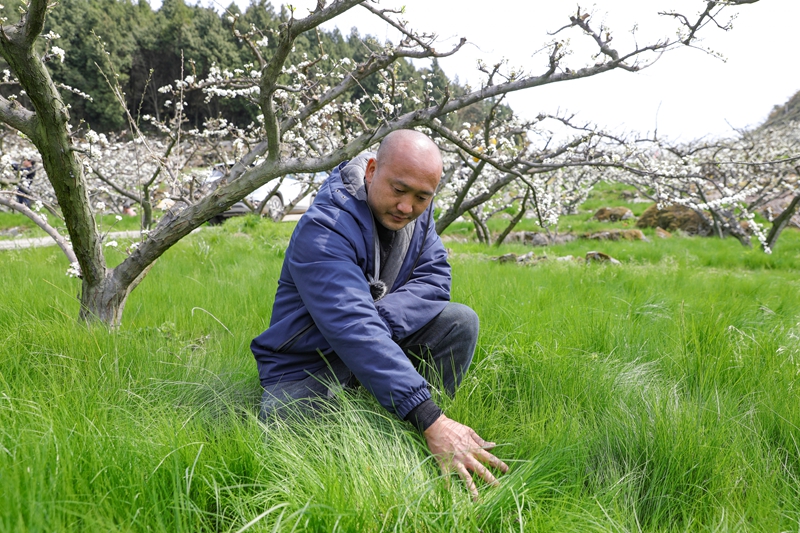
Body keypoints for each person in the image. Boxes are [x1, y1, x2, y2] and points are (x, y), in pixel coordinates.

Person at [251, 129, 508, 499]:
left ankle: (417, 427)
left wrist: (378, 322)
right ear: (372, 170)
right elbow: (352, 327)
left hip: (369, 345)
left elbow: (434, 281)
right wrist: (427, 416)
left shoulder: (417, 220)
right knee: (303, 452)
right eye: (399, 190)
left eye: (422, 197)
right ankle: (428, 424)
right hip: (307, 364)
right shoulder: (325, 227)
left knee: (459, 322)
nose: (407, 206)